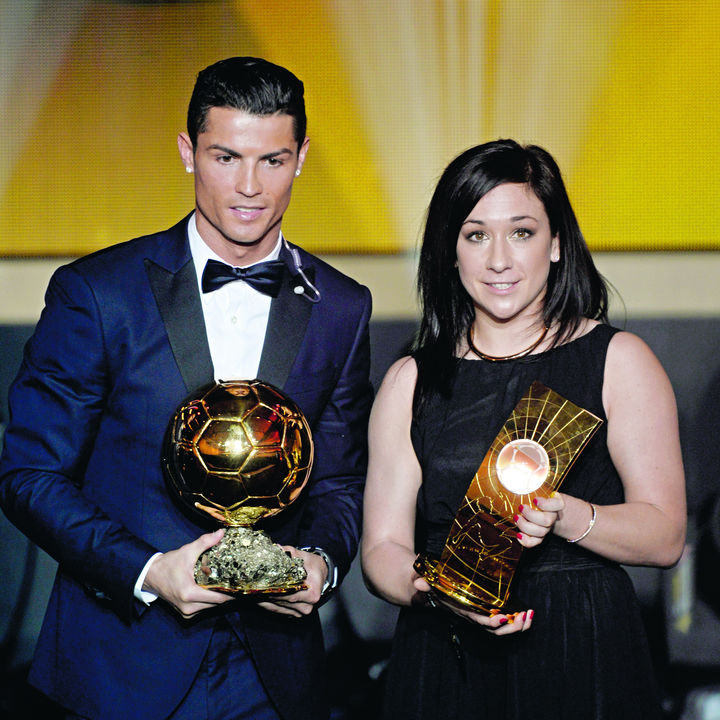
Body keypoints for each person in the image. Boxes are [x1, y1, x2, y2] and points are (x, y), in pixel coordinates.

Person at [0, 57, 373, 720]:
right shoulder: (98, 293)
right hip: (121, 664)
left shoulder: (342, 306)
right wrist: (147, 571)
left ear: (302, 158)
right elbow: (29, 474)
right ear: (187, 151)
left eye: (273, 160)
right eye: (226, 157)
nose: (250, 187)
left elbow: (342, 482)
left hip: (276, 675)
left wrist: (321, 562)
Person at [362, 139, 685, 719]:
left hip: (583, 649)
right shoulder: (410, 380)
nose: (499, 260)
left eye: (521, 232)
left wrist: (567, 516)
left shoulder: (619, 360)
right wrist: (434, 591)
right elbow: (382, 548)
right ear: (450, 251)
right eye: (475, 235)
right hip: (446, 652)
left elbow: (664, 536)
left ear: (556, 243)